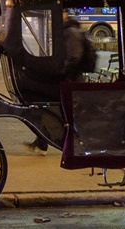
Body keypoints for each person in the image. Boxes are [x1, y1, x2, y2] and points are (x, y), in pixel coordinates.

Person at [28, 11, 95, 154]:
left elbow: (74, 58)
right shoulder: (67, 31)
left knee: (51, 111)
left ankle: (53, 143)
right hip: (70, 80)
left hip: (71, 82)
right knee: (51, 111)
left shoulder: (71, 32)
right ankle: (42, 143)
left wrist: (60, 74)